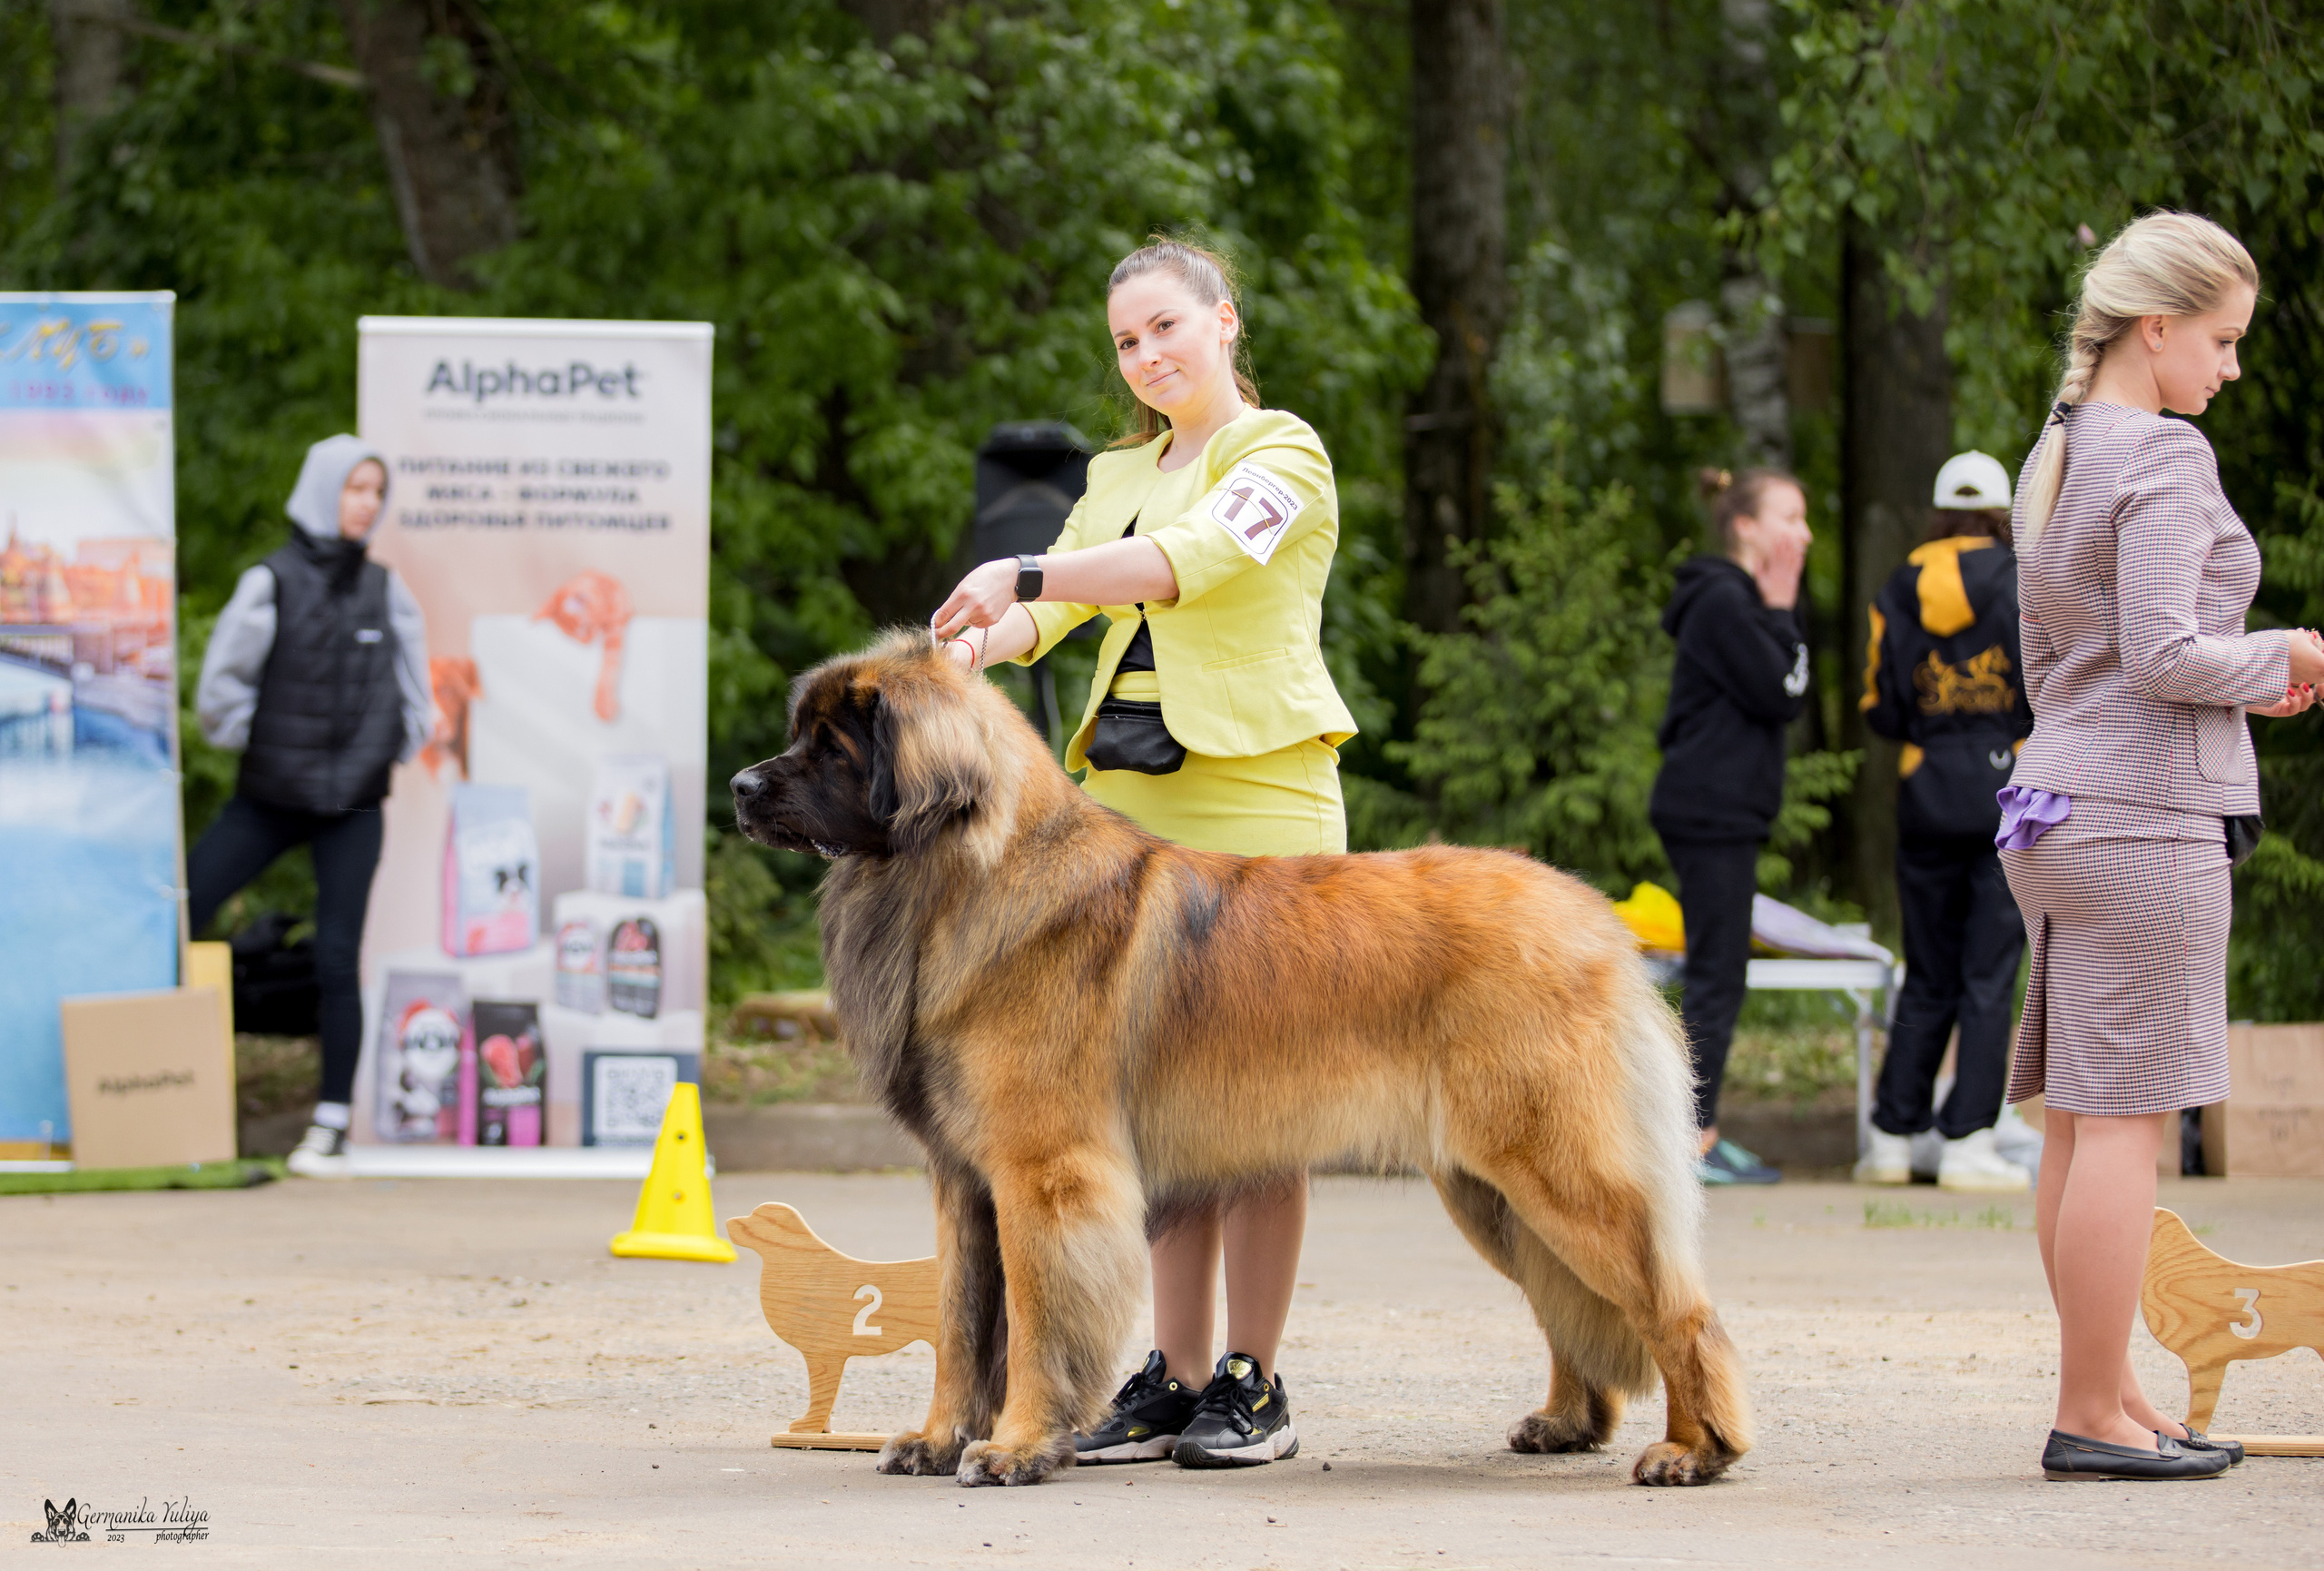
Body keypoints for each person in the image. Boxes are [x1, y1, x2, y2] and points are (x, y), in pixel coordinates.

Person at [929, 240, 1354, 1470]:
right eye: (1125, 341)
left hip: (1266, 801)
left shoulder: (1281, 454)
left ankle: (1253, 1380)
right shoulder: (1117, 469)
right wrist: (979, 639)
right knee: (1156, 1105)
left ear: (1224, 322)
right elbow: (1050, 611)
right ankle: (1170, 1375)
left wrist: (1026, 567)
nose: (1148, 355)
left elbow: (1190, 564)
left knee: (1268, 1102)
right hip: (1125, 809)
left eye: (1166, 326)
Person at [1999, 211, 2324, 1483]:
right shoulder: (2167, 455)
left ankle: (2116, 1393)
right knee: (2128, 1125)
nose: (2230, 369)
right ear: (2158, 326)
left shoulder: (2061, 447)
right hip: (2144, 816)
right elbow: (2169, 656)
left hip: (2056, 805)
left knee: (2080, 1126)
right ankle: (2091, 1407)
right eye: (2224, 340)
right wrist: (2290, 657)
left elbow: (2055, 664)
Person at [192, 435, 435, 1179]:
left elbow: (416, 695)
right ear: (320, 489)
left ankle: (329, 1126)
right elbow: (220, 692)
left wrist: (384, 750)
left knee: (337, 957)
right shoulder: (270, 580)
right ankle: (162, 1089)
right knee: (182, 907)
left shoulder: (386, 589)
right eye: (354, 488)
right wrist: (262, 747)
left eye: (375, 491)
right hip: (269, 795)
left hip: (352, 806)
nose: (365, 503)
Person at [1856, 450, 2036, 1191]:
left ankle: (1893, 1137)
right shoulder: (2025, 581)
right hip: (2010, 791)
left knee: (1928, 969)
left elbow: (1879, 704)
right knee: (1989, 974)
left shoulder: (1898, 588)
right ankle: (1967, 1140)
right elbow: (2049, 683)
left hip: (1925, 787)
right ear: (2002, 512)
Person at [1649, 468, 1813, 1185]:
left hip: (1723, 810)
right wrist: (1781, 604)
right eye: (1789, 517)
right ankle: (1689, 1140)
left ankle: (1694, 1131)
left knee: (1719, 970)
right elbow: (1781, 692)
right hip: (1710, 810)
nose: (1803, 534)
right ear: (1745, 526)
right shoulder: (1724, 601)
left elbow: (1786, 685)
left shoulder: (1732, 601)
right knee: (1718, 975)